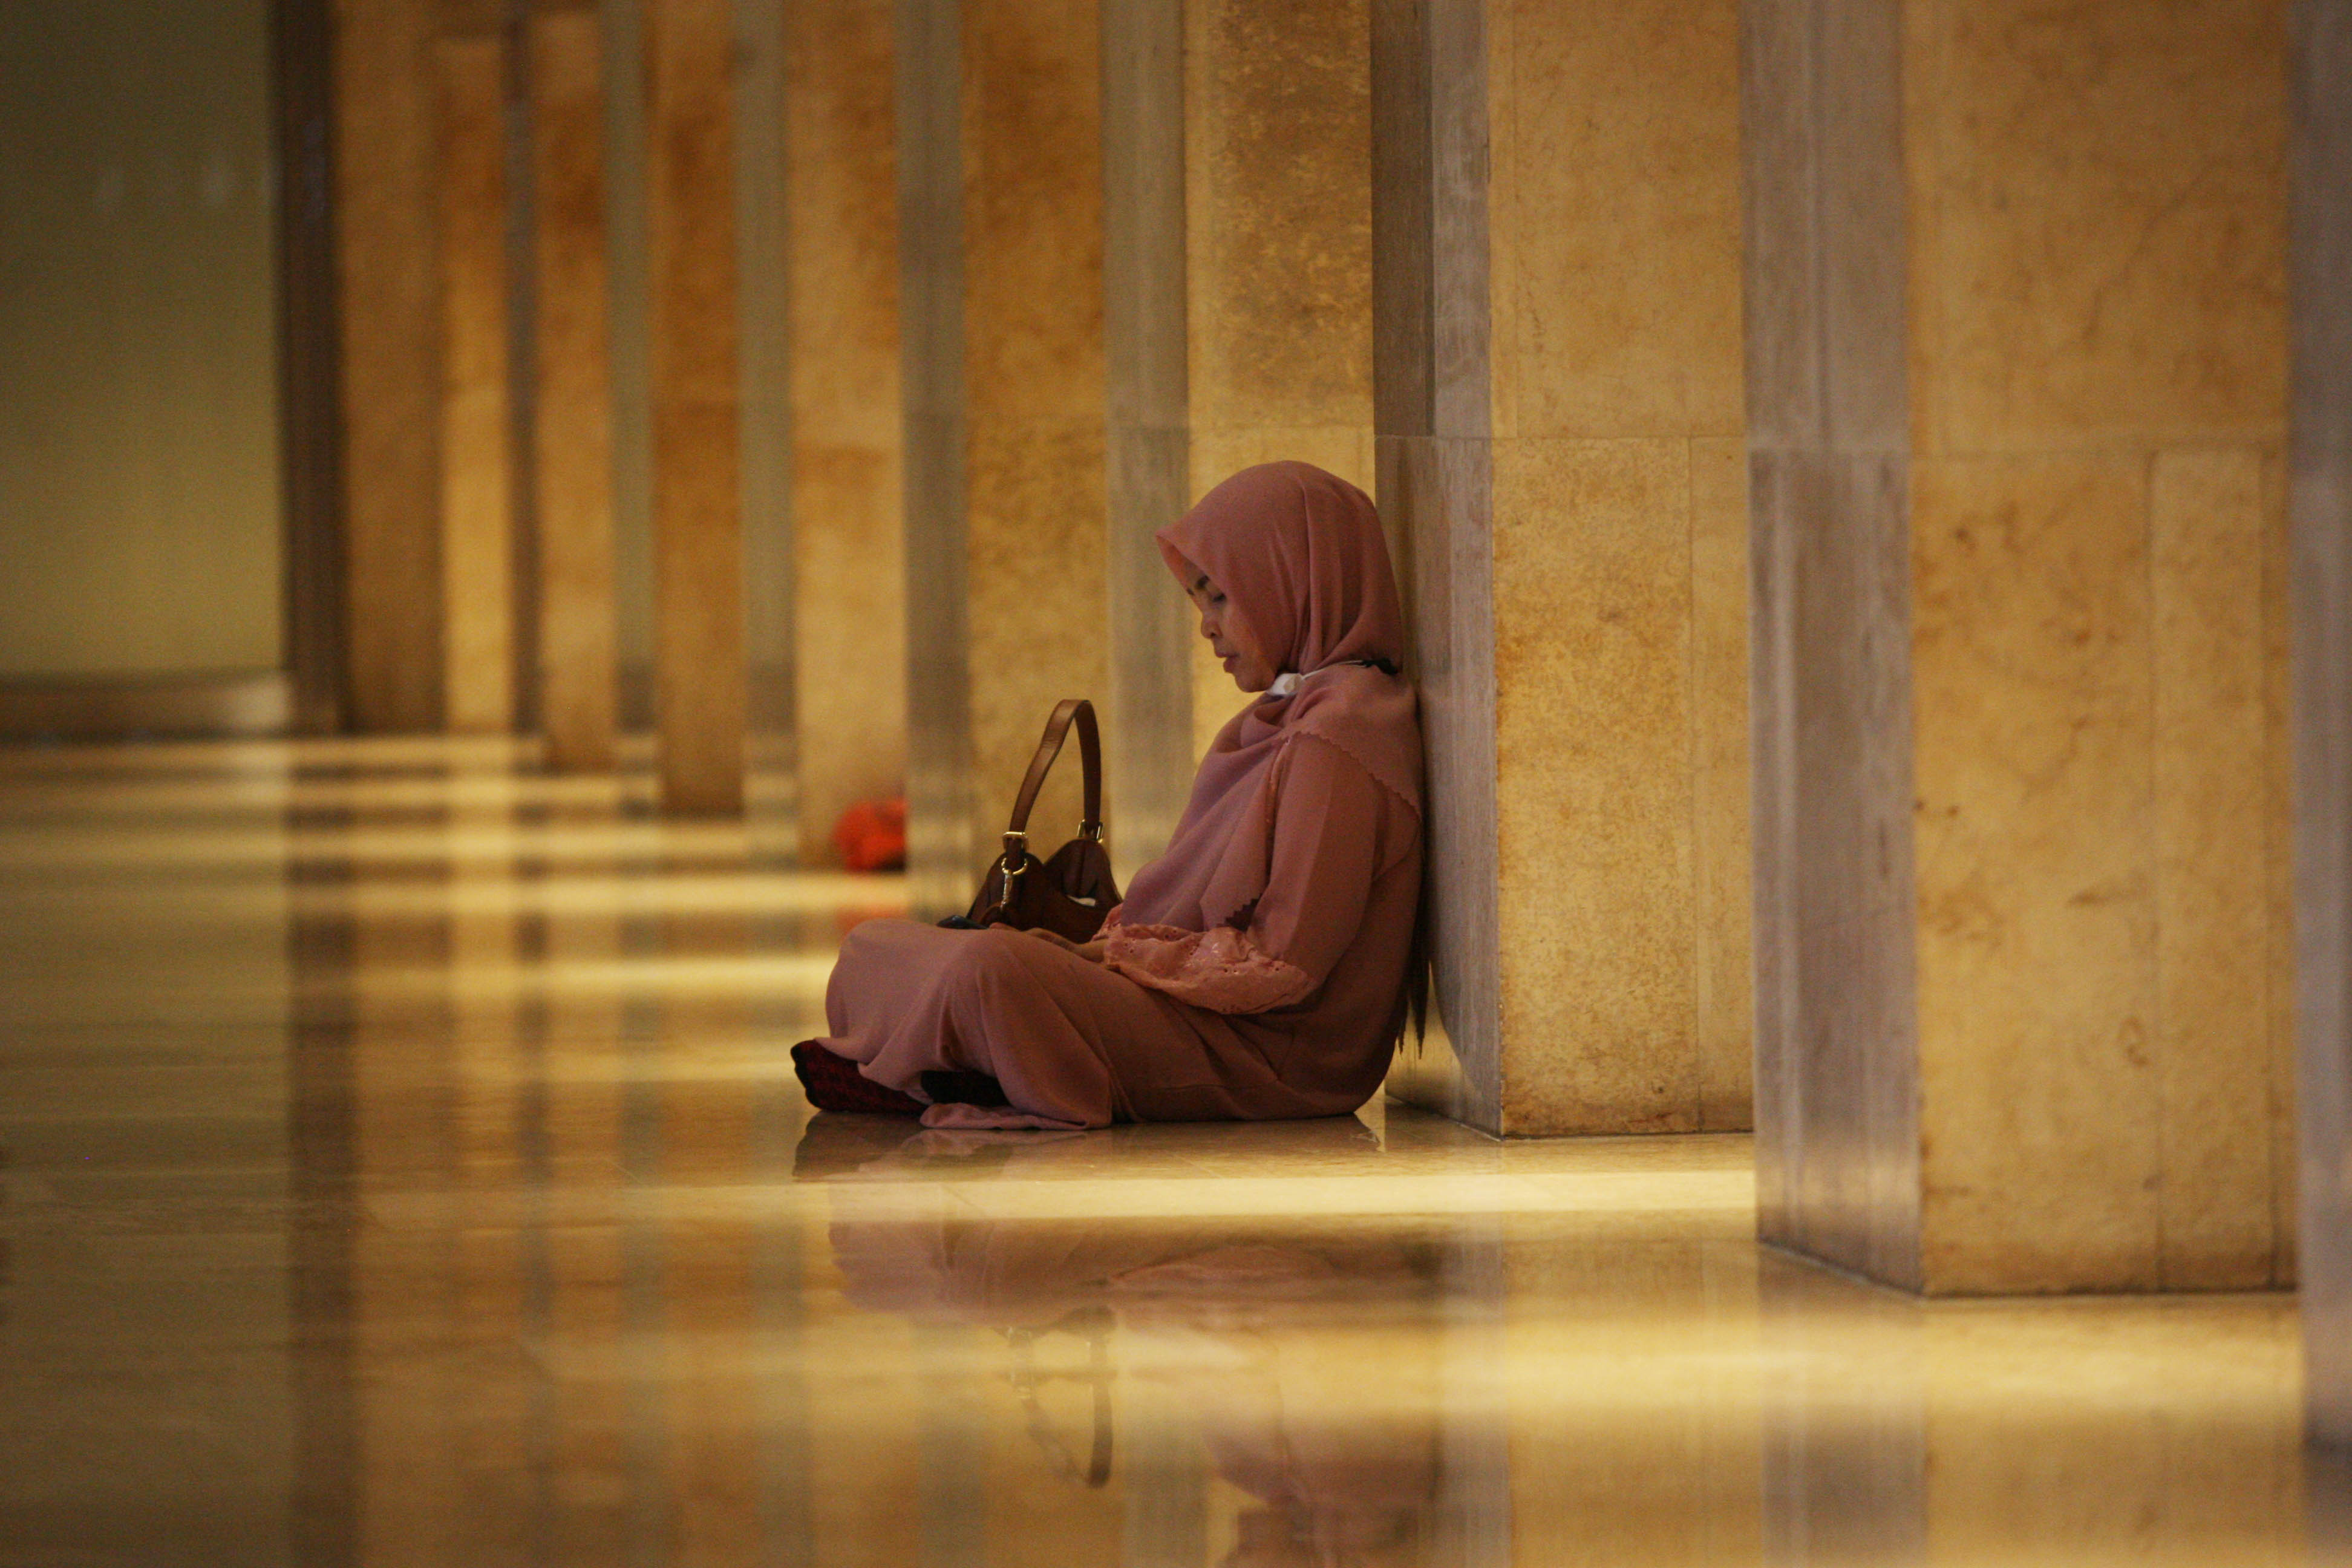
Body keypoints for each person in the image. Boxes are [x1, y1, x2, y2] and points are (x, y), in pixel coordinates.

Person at [791, 460, 1423, 1131]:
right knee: (874, 946)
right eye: (1199, 602)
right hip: (1200, 1011)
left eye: (1221, 598)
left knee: (994, 969)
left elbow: (1282, 965)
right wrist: (1099, 956)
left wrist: (1114, 956)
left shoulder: (1340, 738)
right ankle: (954, 1056)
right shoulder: (1285, 718)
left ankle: (950, 1061)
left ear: (1294, 581)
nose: (1208, 628)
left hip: (1271, 1056)